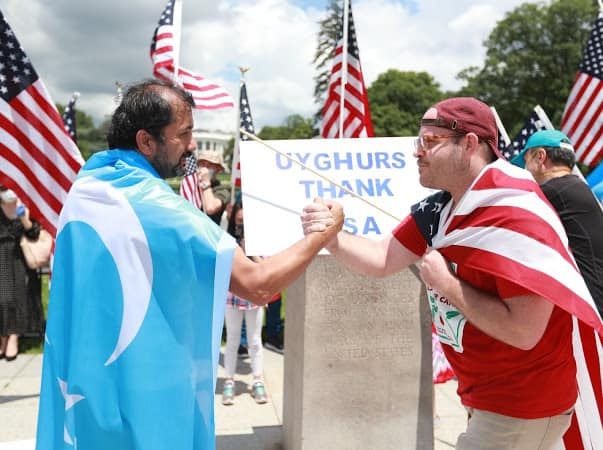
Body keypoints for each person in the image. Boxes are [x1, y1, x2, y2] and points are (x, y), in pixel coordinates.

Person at [35, 79, 342, 450]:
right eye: (184, 133)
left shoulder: (88, 187)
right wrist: (320, 236)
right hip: (141, 401)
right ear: (146, 141)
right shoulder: (158, 207)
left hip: (85, 393)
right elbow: (259, 284)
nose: (193, 144)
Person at [301, 97, 602, 449]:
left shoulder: (516, 214)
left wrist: (447, 283)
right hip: (489, 400)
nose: (417, 152)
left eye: (430, 141)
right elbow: (382, 257)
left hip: (523, 405)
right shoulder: (440, 208)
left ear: (470, 144)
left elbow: (524, 331)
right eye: (419, 141)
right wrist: (334, 237)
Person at [510, 129, 603, 317]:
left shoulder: (553, 192)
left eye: (526, 161)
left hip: (592, 311)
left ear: (540, 157)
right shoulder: (575, 187)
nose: (525, 169)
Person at [222, 201, 267, 405]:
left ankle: (257, 380)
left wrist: (252, 251)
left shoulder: (259, 241)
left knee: (254, 340)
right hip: (232, 297)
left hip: (253, 297)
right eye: (238, 221)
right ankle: (229, 381)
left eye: (244, 222)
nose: (241, 226)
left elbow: (265, 269)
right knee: (232, 339)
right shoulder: (225, 239)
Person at [0, 188, 44, 362]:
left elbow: (34, 232)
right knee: (3, 299)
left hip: (20, 258)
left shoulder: (24, 205)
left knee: (19, 298)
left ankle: (13, 337)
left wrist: (23, 217)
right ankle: (3, 336)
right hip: (1, 256)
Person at [195, 148, 230, 224]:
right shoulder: (192, 186)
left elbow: (210, 208)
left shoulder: (222, 191)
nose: (205, 169)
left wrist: (206, 182)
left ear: (218, 169)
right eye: (203, 164)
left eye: (210, 165)